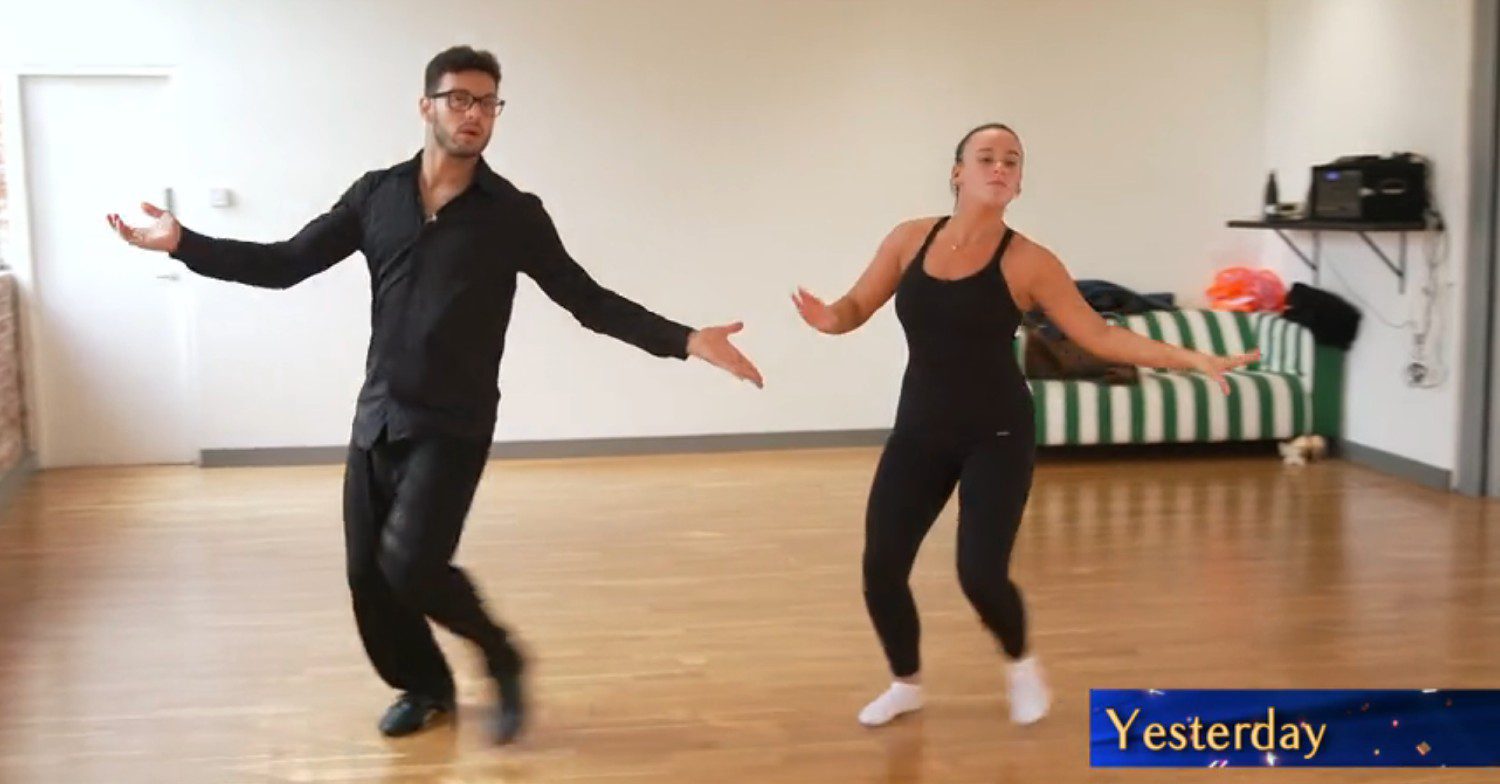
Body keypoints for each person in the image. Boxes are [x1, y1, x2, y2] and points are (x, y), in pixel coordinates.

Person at [107, 45, 764, 744]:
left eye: (488, 103)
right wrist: (184, 242)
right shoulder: (376, 196)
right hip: (379, 417)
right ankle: (424, 687)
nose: (475, 115)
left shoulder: (512, 213)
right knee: (368, 575)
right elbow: (284, 264)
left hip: (454, 423)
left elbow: (587, 299)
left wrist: (686, 338)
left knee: (411, 563)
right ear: (427, 107)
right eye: (460, 100)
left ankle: (500, 652)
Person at [791, 123, 1256, 727]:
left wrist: (1193, 358)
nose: (999, 167)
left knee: (979, 574)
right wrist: (829, 318)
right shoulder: (909, 239)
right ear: (958, 171)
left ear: (1018, 181)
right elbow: (855, 306)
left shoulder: (1030, 262)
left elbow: (1101, 335)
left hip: (998, 435)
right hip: (920, 431)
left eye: (1011, 160)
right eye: (986, 157)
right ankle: (906, 682)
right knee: (881, 565)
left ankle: (1020, 662)